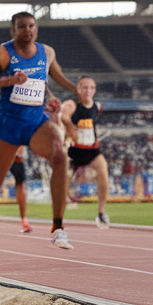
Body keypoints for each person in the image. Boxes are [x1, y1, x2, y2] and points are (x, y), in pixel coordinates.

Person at [0, 12, 79, 250]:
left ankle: (58, 227)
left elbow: (53, 81)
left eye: (32, 26)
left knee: (59, 154)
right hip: (8, 124)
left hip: (37, 122)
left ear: (36, 29)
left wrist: (74, 94)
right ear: (13, 30)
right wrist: (7, 81)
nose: (28, 30)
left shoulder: (46, 52)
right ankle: (0, 152)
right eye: (22, 27)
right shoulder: (2, 53)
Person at [61, 76, 111, 228]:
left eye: (91, 88)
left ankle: (101, 213)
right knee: (62, 176)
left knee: (103, 171)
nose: (88, 91)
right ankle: (61, 209)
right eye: (84, 87)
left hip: (91, 149)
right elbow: (63, 117)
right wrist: (70, 128)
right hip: (73, 149)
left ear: (94, 90)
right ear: (78, 89)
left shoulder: (98, 106)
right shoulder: (72, 104)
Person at [10, 145, 31, 233]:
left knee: (21, 186)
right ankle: (24, 220)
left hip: (14, 159)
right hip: (13, 158)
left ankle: (24, 220)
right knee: (20, 186)